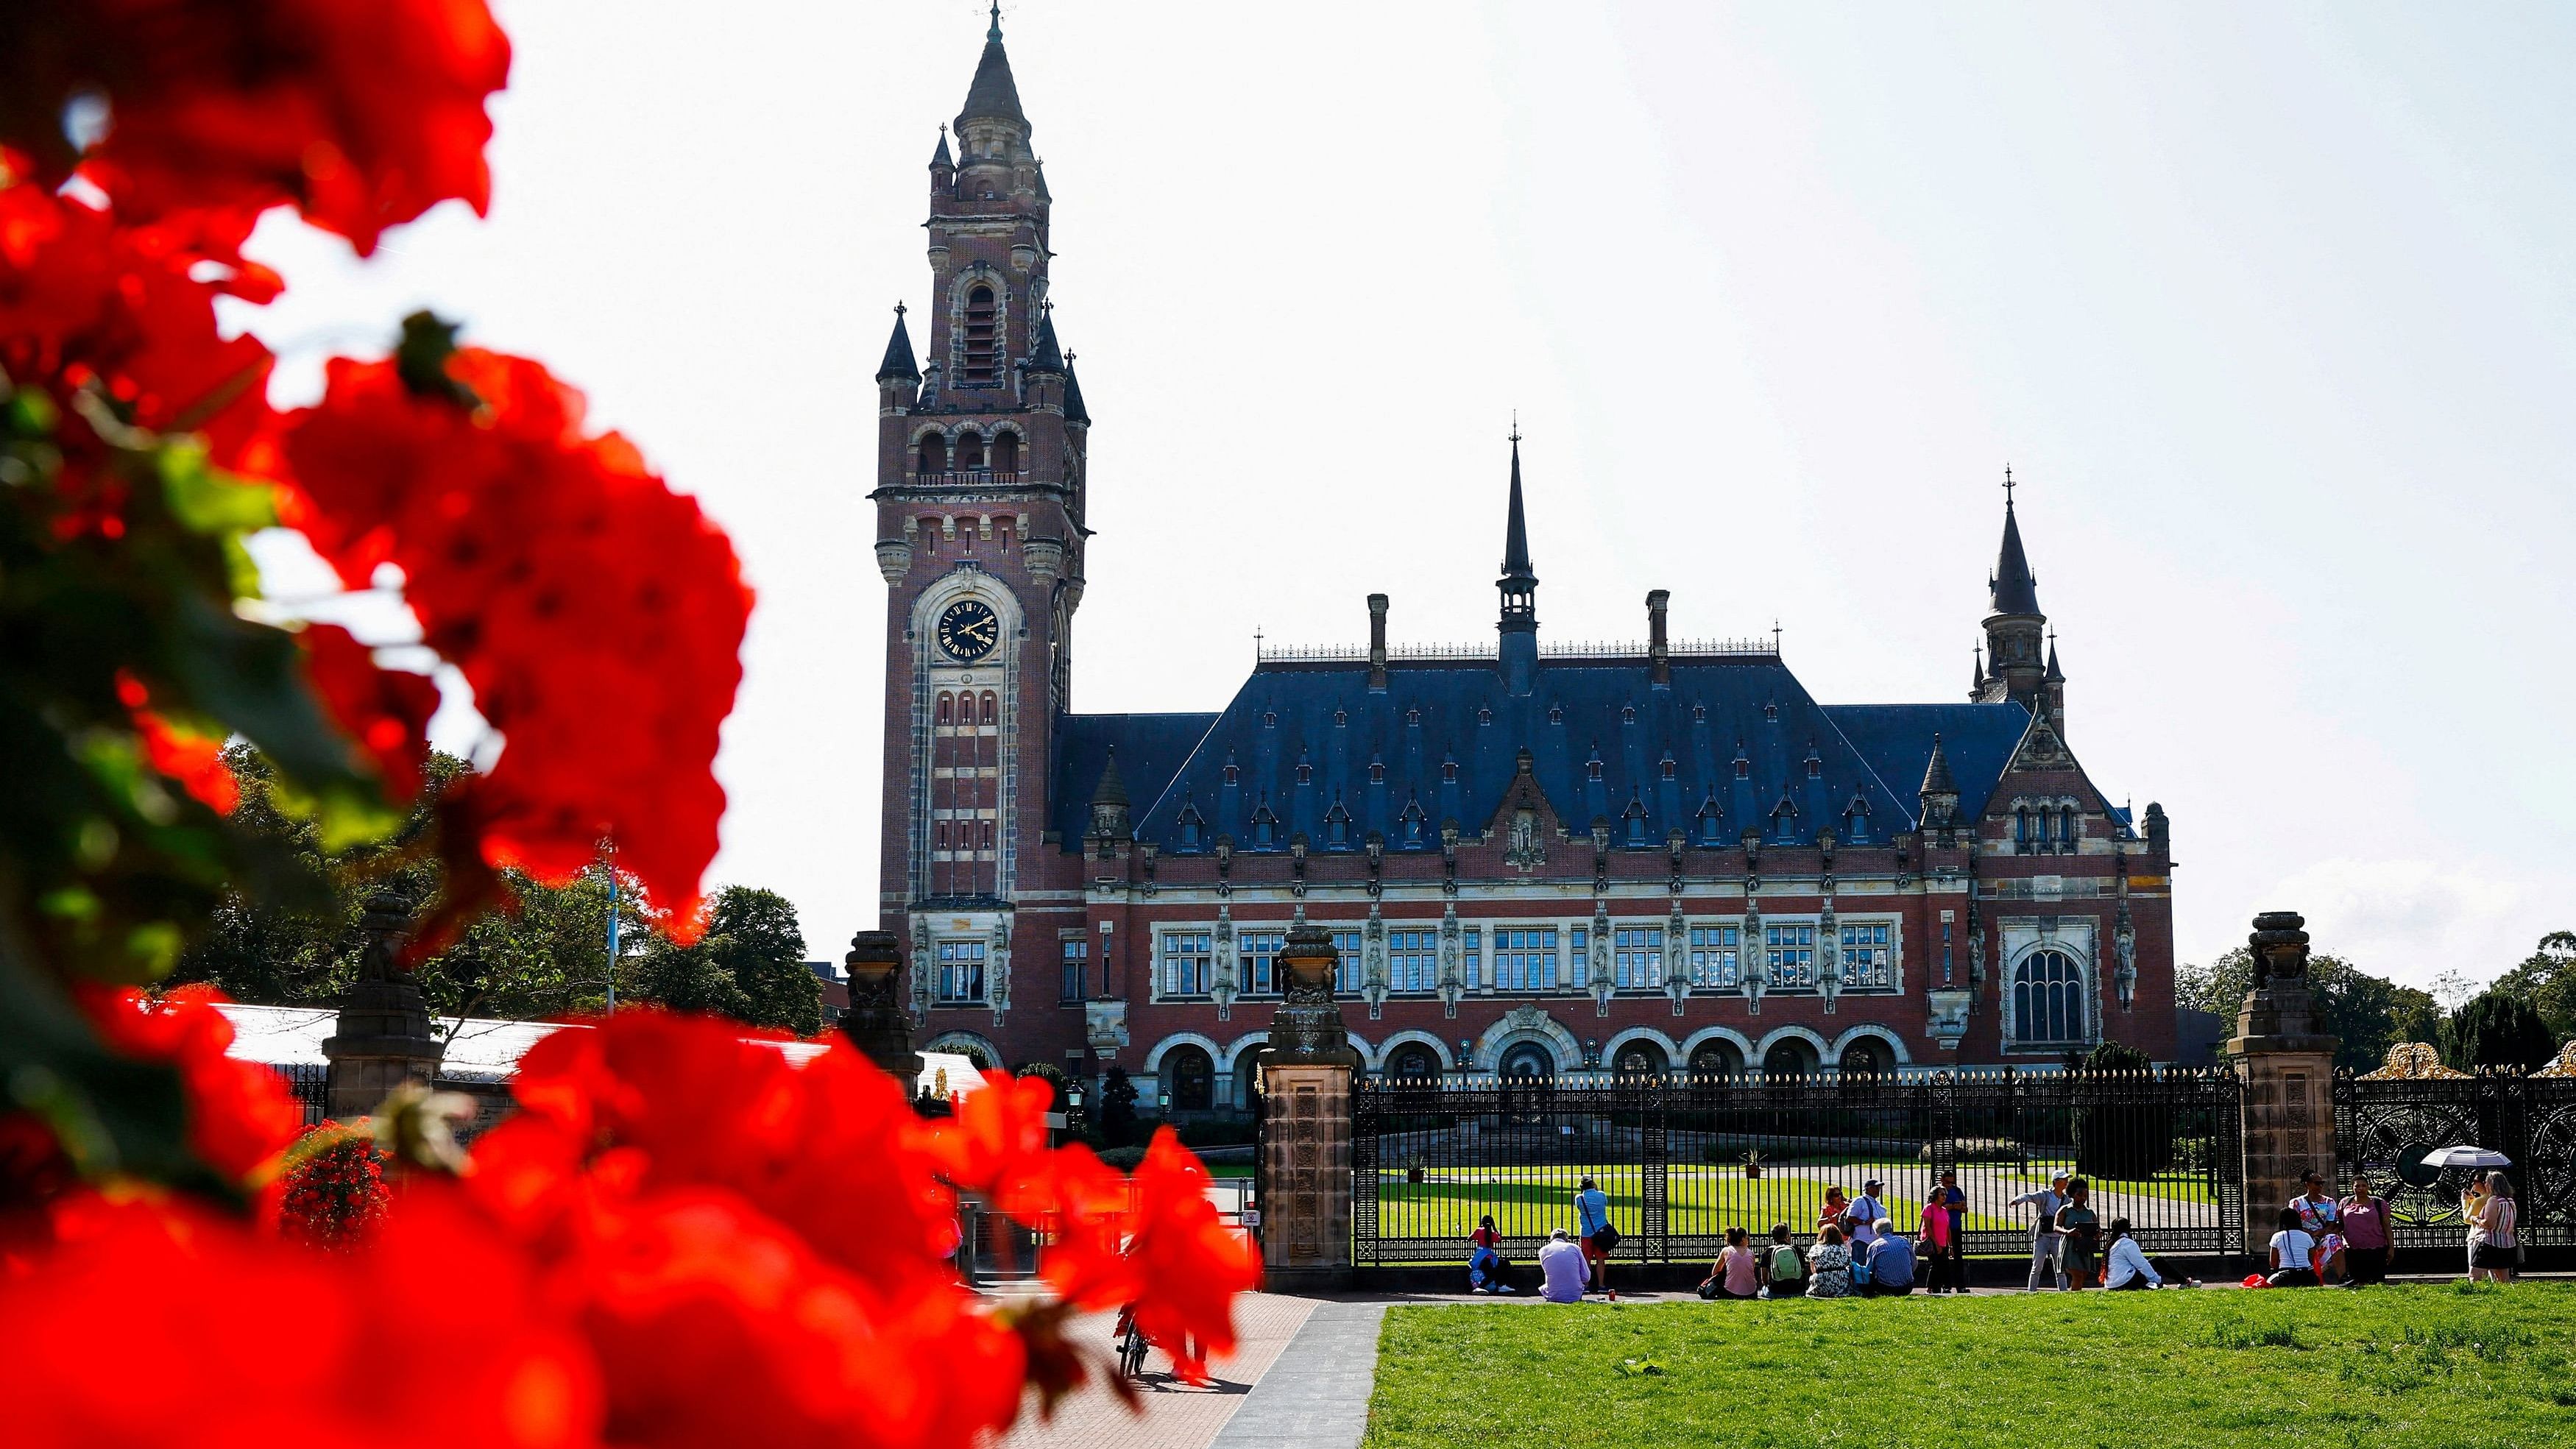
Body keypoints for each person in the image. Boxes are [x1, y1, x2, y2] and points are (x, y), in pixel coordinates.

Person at [2008, 1173, 2070, 1292]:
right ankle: (2031, 1293)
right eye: (2064, 1179)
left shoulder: (2066, 1199)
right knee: (2037, 1267)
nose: (2066, 1181)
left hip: (2058, 1238)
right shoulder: (2045, 1195)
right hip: (2043, 1237)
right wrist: (2017, 1201)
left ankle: (2064, 1293)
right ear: (2056, 1181)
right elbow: (2029, 1196)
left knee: (2060, 1269)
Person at [2102, 1216, 2187, 1289]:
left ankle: (2152, 1284)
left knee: (2148, 1265)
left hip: (2112, 1284)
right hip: (2125, 1282)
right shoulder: (2127, 1243)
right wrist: (2157, 1280)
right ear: (2128, 1228)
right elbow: (2141, 1264)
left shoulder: (2112, 1243)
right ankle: (2185, 1281)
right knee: (2157, 1261)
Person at [2338, 1175, 2390, 1286]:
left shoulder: (2379, 1203)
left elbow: (2387, 1226)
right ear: (2352, 1188)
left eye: (2364, 1186)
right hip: (2353, 1250)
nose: (2360, 1189)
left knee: (2377, 1283)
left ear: (2368, 1187)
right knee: (2356, 1283)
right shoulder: (2345, 1203)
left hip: (2376, 1249)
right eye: (2357, 1186)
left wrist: (2391, 1248)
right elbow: (2340, 1224)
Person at [2290, 1172, 2342, 1281]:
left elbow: (2331, 1222)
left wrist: (2321, 1233)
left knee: (2334, 1239)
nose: (2320, 1186)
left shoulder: (2329, 1202)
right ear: (2307, 1184)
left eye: (2321, 1183)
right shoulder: (2296, 1203)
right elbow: (2294, 1224)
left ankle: (2343, 1276)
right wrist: (2311, 1233)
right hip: (2303, 1236)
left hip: (2322, 1236)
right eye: (2317, 1183)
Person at [2470, 1171, 2519, 1285]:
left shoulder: (2493, 1200)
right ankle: (2508, 1299)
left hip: (2490, 1243)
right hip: (2507, 1243)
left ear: (2492, 1184)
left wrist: (2476, 1220)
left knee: (2475, 1276)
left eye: (2486, 1182)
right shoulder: (2510, 1201)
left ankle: (2476, 1298)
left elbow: (2488, 1223)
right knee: (2503, 1279)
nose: (2485, 1185)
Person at [2054, 1178, 2101, 1289]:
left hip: (2085, 1245)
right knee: (2078, 1275)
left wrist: (2098, 1234)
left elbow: (2097, 1228)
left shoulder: (2089, 1212)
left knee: (2083, 1274)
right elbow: (2056, 1227)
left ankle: (2075, 1296)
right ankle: (2075, 1299)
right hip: (2070, 1246)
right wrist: (2067, 1232)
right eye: (2080, 1195)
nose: (2083, 1198)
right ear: (2072, 1194)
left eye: (2085, 1195)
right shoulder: (2065, 1210)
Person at [1574, 1175, 1615, 1299]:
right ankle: (1601, 1285)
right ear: (1593, 1184)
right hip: (1601, 1232)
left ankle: (1586, 1285)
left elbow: (1580, 1208)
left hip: (1586, 1232)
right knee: (1600, 1259)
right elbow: (1605, 1204)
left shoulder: (1579, 1198)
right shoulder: (1601, 1195)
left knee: (1586, 1260)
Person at [1700, 1225, 1762, 1300]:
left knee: (1723, 1272)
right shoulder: (1751, 1253)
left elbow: (1714, 1272)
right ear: (1743, 1239)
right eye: (1747, 1238)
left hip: (1730, 1292)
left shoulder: (1726, 1251)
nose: (1748, 1240)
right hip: (1751, 1293)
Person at [1918, 1182, 1958, 1293]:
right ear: (1935, 1196)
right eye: (1942, 1194)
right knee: (1935, 1265)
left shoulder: (1944, 1210)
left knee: (1944, 1265)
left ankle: (1941, 1287)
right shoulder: (1929, 1208)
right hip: (1931, 1241)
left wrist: (1950, 1245)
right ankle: (1930, 1288)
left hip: (1943, 1242)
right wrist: (1936, 1244)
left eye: (1945, 1194)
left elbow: (1947, 1228)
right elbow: (1928, 1227)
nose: (1945, 1197)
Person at [1863, 1217, 1917, 1295]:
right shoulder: (1904, 1241)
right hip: (1908, 1287)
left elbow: (1869, 1270)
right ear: (1891, 1229)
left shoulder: (1875, 1246)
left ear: (1876, 1232)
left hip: (1886, 1288)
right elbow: (1914, 1263)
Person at [2267, 1207, 2319, 1287]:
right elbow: (2311, 1260)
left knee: (2269, 1282)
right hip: (2308, 1277)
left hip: (2286, 1276)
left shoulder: (2277, 1236)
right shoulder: (2307, 1236)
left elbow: (2273, 1263)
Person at [1538, 1228, 1590, 1303]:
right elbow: (1586, 1277)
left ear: (1551, 1239)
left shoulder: (1543, 1250)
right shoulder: (1574, 1248)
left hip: (1552, 1295)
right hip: (1575, 1295)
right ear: (1566, 1239)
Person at [1468, 1214, 1515, 1294]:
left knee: (1491, 1273)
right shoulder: (1492, 1233)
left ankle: (1480, 1287)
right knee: (1503, 1264)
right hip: (1489, 1256)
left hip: (1480, 1256)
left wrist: (1479, 1228)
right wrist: (1494, 1228)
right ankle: (1500, 1285)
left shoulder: (1479, 1231)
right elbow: (1499, 1239)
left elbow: (1469, 1238)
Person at [1805, 1223, 1853, 1298]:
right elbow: (1848, 1263)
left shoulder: (1816, 1248)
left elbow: (1813, 1269)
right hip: (1841, 1282)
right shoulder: (1843, 1248)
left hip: (1822, 1281)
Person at [1759, 1222, 1803, 1299]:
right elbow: (1802, 1271)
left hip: (1775, 1292)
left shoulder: (1767, 1252)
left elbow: (1764, 1279)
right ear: (1787, 1235)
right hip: (1797, 1292)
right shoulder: (1797, 1250)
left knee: (1763, 1289)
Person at [1849, 1179, 1888, 1252]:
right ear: (1868, 1188)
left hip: (1876, 1242)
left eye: (1879, 1188)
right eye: (1876, 1187)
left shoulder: (1878, 1204)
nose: (1878, 1190)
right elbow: (1850, 1217)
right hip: (1862, 1241)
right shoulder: (1860, 1201)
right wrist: (1864, 1222)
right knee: (1860, 1263)